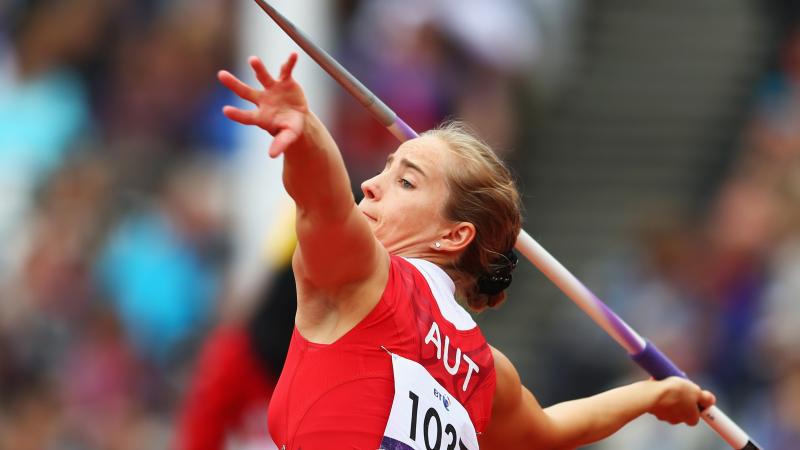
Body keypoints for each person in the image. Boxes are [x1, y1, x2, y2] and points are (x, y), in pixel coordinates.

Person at [217, 53, 716, 450]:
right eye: (386, 170)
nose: (369, 185)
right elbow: (550, 429)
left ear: (455, 235)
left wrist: (306, 134)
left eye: (405, 180)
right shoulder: (484, 369)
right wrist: (652, 396)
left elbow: (324, 202)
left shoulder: (371, 284)